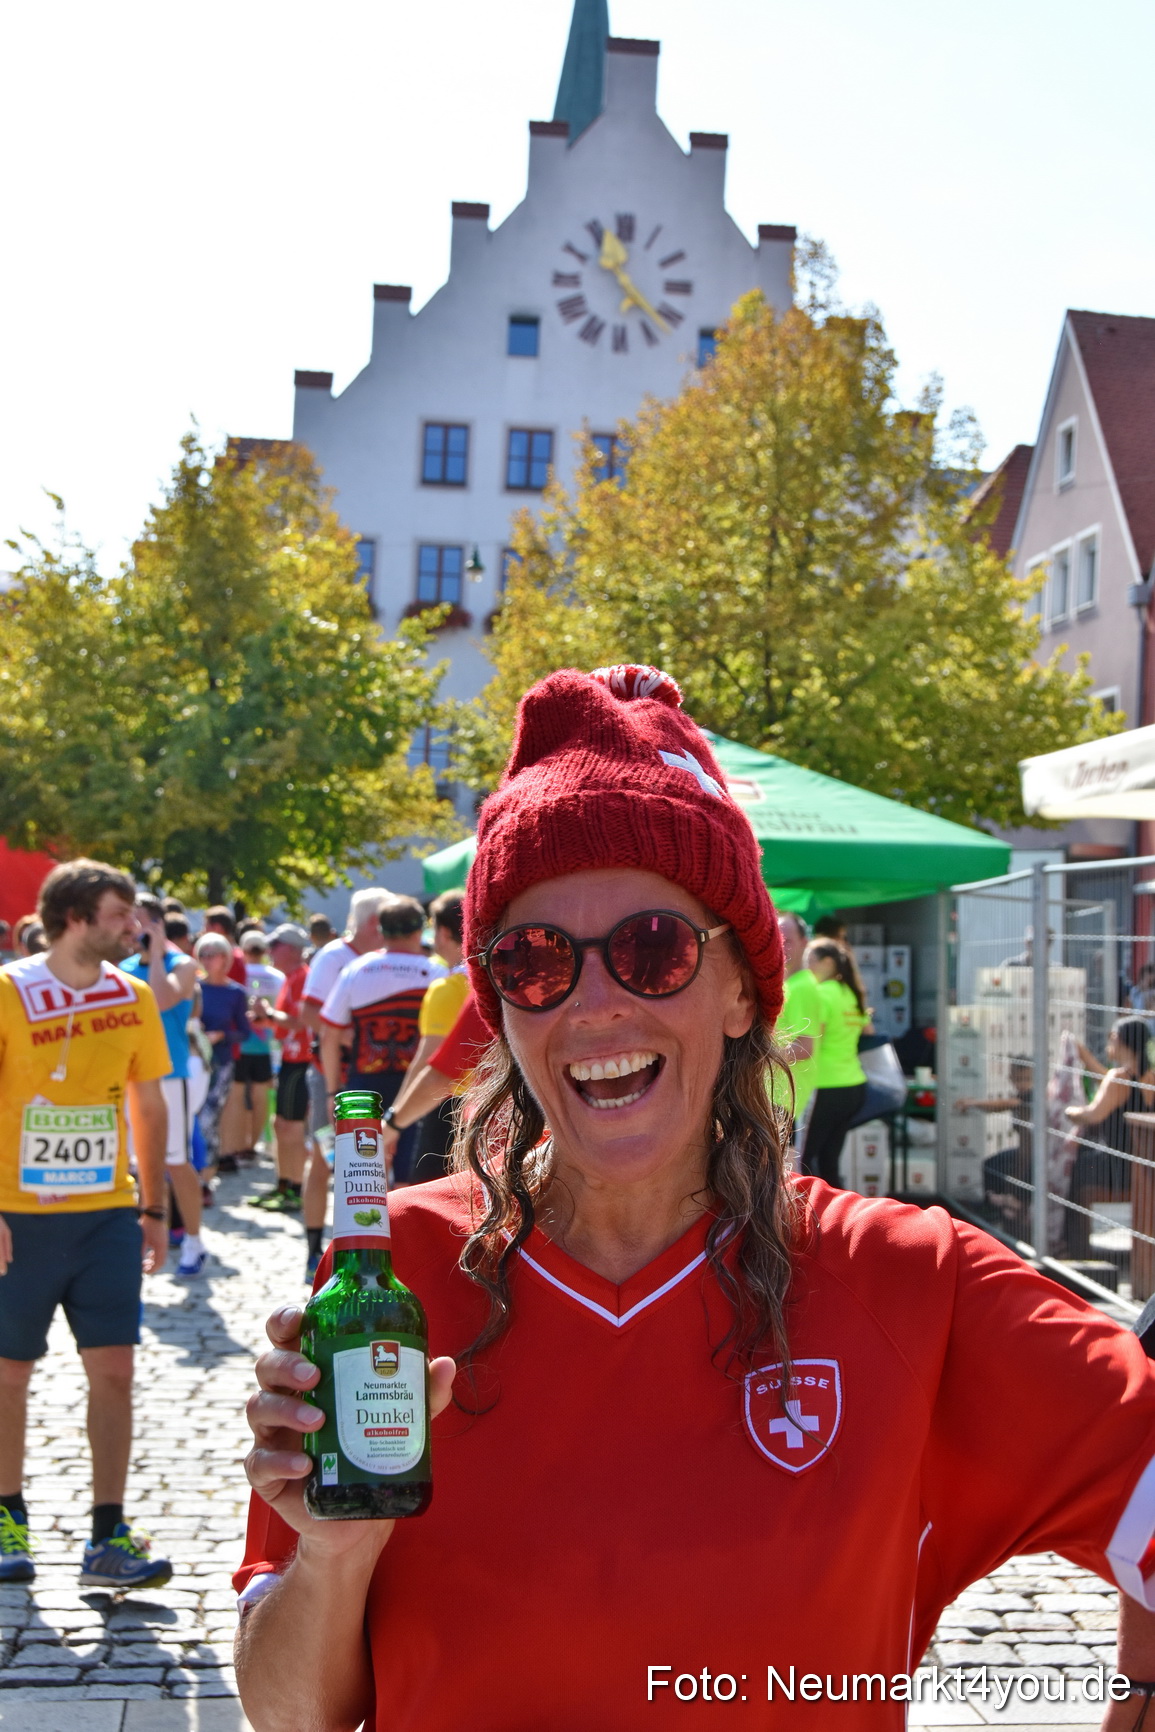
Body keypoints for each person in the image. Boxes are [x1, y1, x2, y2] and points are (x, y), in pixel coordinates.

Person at [235, 664, 1155, 1732]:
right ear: (502, 1011)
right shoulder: (392, 1277)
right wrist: (334, 1555)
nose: (593, 1003)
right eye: (532, 962)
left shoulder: (908, 1279)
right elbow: (289, 1714)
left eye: (653, 948)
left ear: (738, 992)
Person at [0, 859, 174, 1590]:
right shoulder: (8, 991)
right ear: (74, 918)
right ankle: (6, 1520)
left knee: (116, 1371)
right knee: (9, 1374)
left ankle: (108, 1535)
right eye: (119, 914)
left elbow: (149, 1105)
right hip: (18, 1216)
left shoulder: (133, 995)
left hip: (105, 1215)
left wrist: (154, 1209)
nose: (134, 926)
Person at [318, 896, 443, 1182]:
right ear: (418, 931)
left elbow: (328, 1035)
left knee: (362, 1178)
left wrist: (331, 1092)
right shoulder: (436, 973)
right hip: (418, 1087)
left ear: (381, 931)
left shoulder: (356, 969)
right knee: (411, 1180)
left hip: (363, 1085)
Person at [120, 894, 206, 1276]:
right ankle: (136, 1237)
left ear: (156, 924)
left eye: (138, 920)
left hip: (170, 1075)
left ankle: (194, 1241)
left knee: (176, 1159)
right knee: (132, 1162)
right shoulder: (122, 967)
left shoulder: (182, 964)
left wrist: (156, 954)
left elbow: (161, 998)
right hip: (129, 1077)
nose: (131, 927)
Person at [1064, 1017, 1155, 1259]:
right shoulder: (1149, 1077)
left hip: (1116, 1168)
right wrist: (1085, 1057)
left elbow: (1093, 1115)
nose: (1108, 1043)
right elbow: (1109, 1083)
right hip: (1142, 1167)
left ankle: (1073, 1248)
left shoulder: (1118, 1078)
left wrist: (1069, 1111)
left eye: (1112, 1037)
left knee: (1071, 1169)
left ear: (1122, 1041)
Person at [401, 891, 469, 1184]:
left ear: (442, 933)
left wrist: (396, 1117)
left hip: (448, 1109)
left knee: (427, 1197)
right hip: (496, 1106)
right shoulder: (496, 979)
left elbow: (428, 1062)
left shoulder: (446, 989)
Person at [800, 937, 872, 1187]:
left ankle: (807, 1211)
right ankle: (834, 1210)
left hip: (825, 1086)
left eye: (811, 960)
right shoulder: (851, 993)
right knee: (829, 1159)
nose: (807, 967)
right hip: (853, 1085)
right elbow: (869, 1031)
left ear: (828, 963)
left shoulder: (821, 994)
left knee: (805, 1160)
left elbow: (812, 1040)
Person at [954, 1055, 1035, 1239]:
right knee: (990, 1166)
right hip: (1023, 1153)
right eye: (1019, 1079)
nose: (1023, 1084)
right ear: (1011, 1078)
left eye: (1027, 1079)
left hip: (1035, 1158)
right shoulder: (1021, 1096)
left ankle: (1007, 1212)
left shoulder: (1032, 1097)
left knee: (1014, 1180)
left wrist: (974, 1103)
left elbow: (1006, 1104)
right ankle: (998, 1210)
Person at [220, 930, 282, 1165]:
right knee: (260, 1095)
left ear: (243, 950)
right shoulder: (276, 976)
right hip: (266, 1045)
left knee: (236, 1094)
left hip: (239, 1043)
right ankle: (251, 1145)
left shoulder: (238, 973)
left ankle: (235, 1146)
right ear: (265, 951)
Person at [195, 933, 251, 1174]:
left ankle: (206, 1172)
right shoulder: (193, 988)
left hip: (221, 1062)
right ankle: (197, 1170)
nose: (207, 960)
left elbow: (244, 1032)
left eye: (212, 955)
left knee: (209, 1117)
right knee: (195, 1115)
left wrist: (222, 1036)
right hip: (195, 1061)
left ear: (225, 958)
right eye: (202, 954)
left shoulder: (235, 992)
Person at [772, 911, 822, 1152]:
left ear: (804, 943)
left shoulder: (802, 986)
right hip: (778, 1096)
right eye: (778, 939)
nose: (782, 946)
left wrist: (758, 1055)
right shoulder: (790, 984)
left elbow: (805, 1047)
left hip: (785, 1098)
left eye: (788, 940)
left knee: (780, 1166)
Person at [204, 906, 248, 985]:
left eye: (206, 927)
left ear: (217, 928)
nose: (203, 931)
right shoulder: (238, 954)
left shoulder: (229, 957)